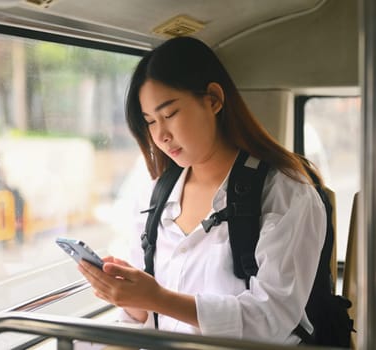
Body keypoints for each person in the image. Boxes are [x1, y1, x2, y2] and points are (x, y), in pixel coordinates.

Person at [77, 36, 326, 345]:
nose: (161, 135)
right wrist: (134, 300)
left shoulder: (286, 192)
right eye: (151, 122)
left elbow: (272, 317)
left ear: (213, 100)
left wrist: (158, 298)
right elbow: (151, 319)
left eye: (169, 115)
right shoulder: (155, 196)